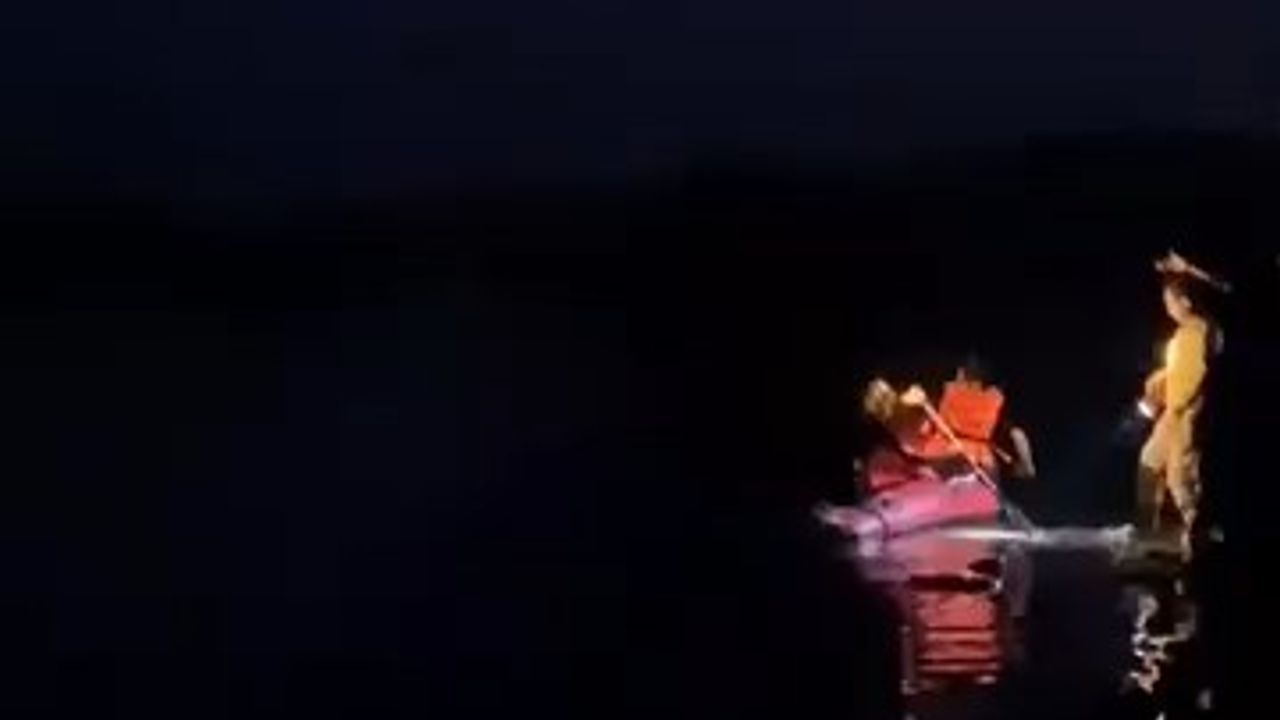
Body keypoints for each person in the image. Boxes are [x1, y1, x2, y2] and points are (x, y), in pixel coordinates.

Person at [1137, 256, 1221, 546]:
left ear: (1185, 301)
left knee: (1180, 477)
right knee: (1149, 462)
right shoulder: (1180, 335)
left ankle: (1198, 536)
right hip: (1171, 415)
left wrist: (1182, 406)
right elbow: (1176, 370)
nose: (1167, 306)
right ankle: (1148, 532)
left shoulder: (1201, 331)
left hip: (1188, 414)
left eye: (1170, 300)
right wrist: (1159, 381)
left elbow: (1198, 374)